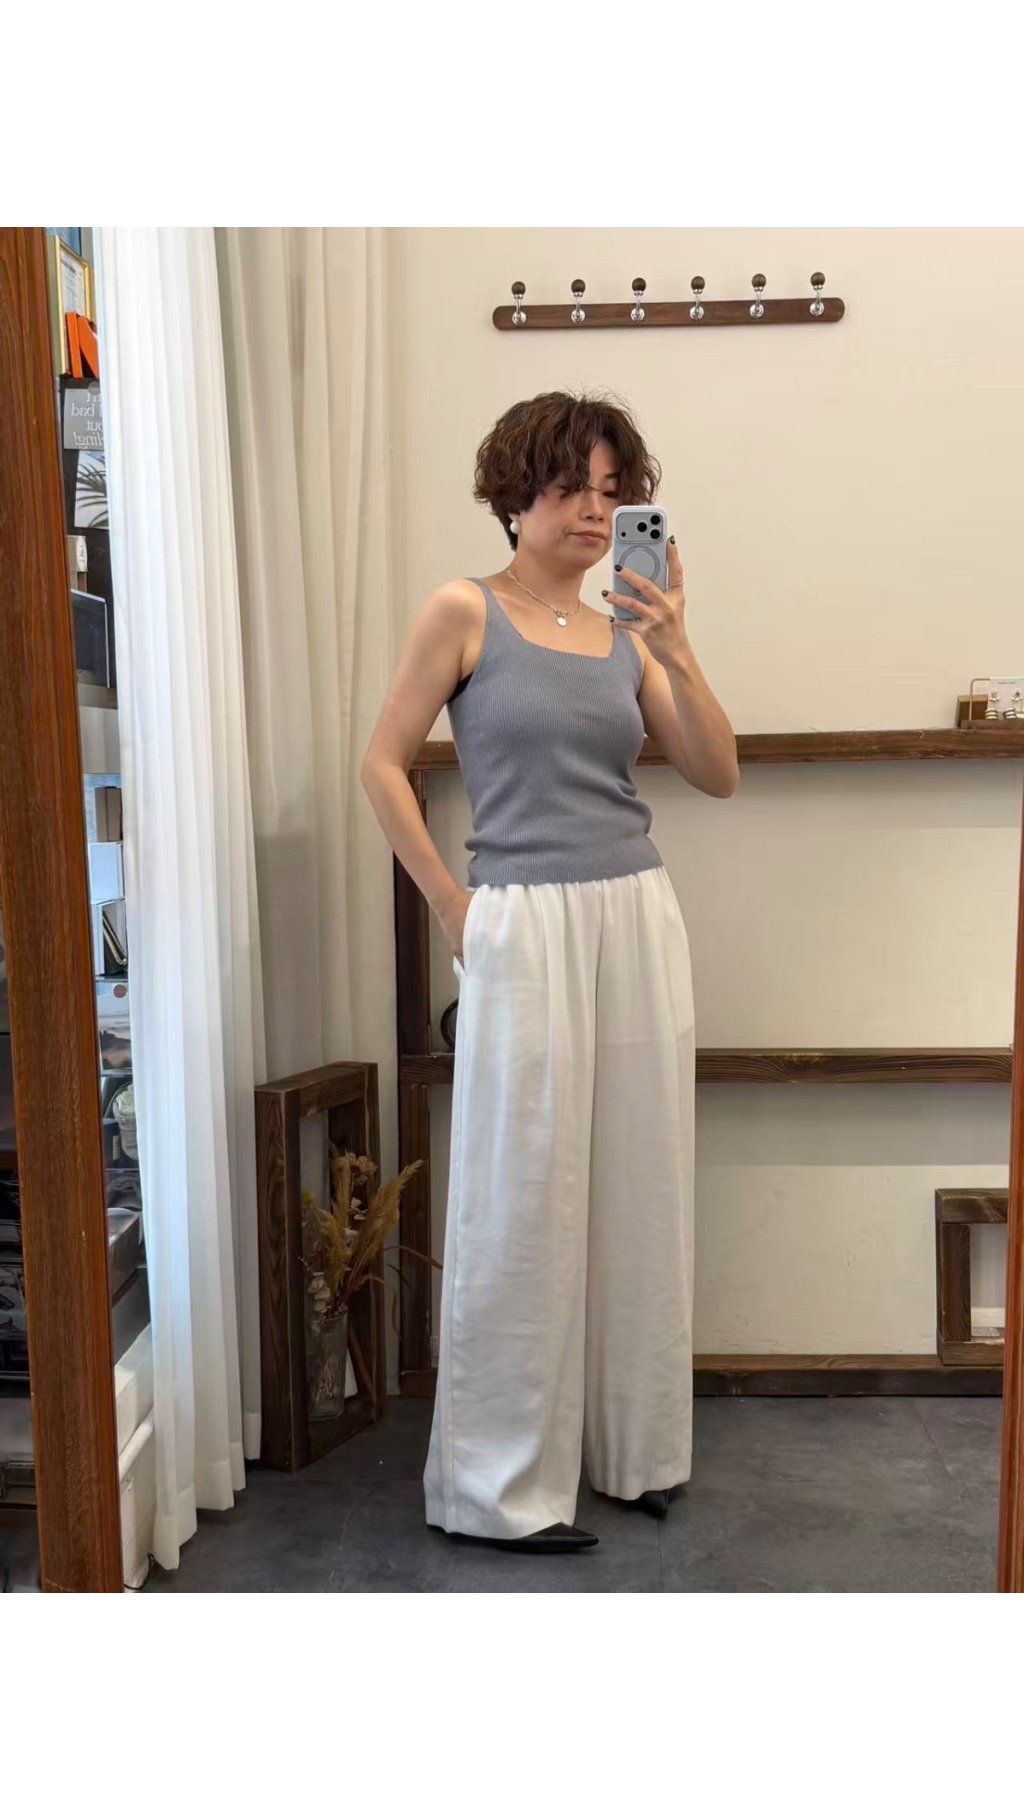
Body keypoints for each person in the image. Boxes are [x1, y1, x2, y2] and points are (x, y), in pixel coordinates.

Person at [360, 390, 739, 1553]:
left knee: (639, 1181)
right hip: (520, 917)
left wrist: (675, 643)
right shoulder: (463, 609)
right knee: (520, 1193)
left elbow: (715, 771)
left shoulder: (628, 631)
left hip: (635, 912)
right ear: (515, 494)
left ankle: (633, 1448)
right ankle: (498, 1485)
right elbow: (381, 763)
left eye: (612, 490)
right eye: (571, 485)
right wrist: (451, 904)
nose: (593, 508)